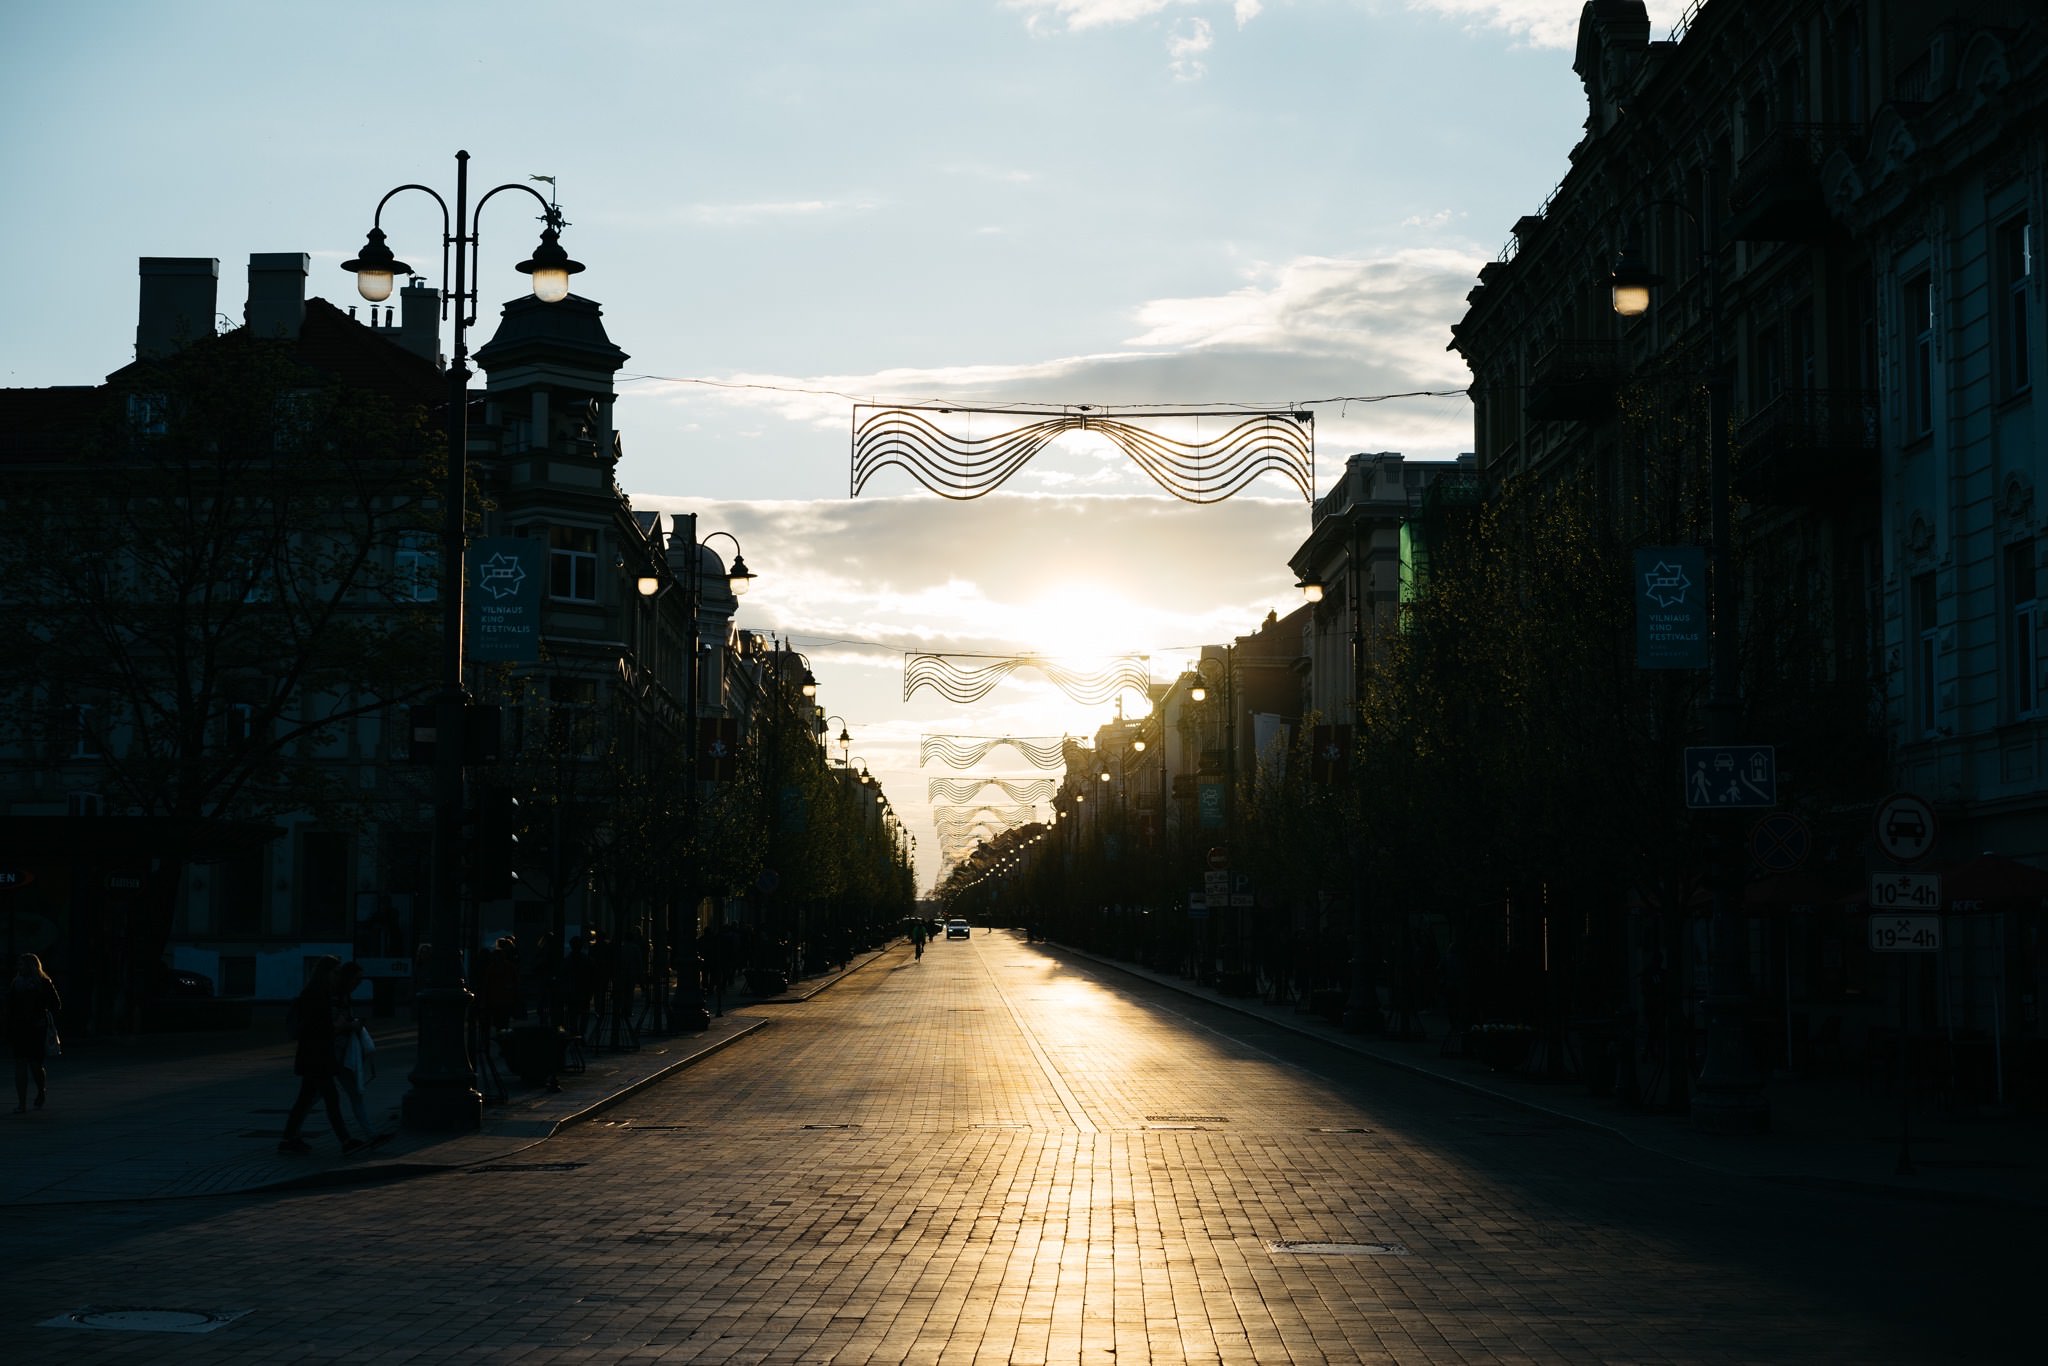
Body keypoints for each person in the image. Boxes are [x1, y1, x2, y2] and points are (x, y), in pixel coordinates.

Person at [278, 956, 363, 1156]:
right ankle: (346, 1140)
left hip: (314, 1054)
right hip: (317, 1055)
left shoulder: (316, 993)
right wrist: (343, 1025)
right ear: (325, 973)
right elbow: (321, 1027)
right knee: (331, 1098)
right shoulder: (317, 995)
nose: (337, 977)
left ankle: (288, 1139)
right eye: (334, 972)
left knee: (305, 1098)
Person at [331, 961, 382, 1143]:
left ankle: (367, 1134)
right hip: (336, 1053)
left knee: (349, 1095)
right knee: (352, 1094)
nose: (360, 982)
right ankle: (367, 1135)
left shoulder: (341, 996)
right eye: (357, 978)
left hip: (338, 1052)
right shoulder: (338, 998)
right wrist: (353, 1025)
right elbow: (336, 1025)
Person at [7, 953, 62, 1113]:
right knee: (20, 1064)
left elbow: (56, 1004)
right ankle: (22, 1103)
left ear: (31, 966)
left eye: (22, 965)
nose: (19, 968)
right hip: (20, 1029)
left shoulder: (44, 983)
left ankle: (40, 1090)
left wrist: (43, 1017)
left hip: (36, 1029)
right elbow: (10, 1008)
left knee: (35, 1064)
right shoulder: (16, 984)